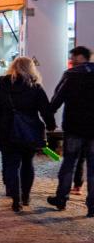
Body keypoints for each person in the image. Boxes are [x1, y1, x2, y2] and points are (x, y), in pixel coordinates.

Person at [0, 56, 56, 212]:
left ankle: (16, 199)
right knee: (27, 164)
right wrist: (51, 125)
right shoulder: (35, 87)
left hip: (7, 131)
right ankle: (25, 196)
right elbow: (45, 109)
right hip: (29, 131)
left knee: (11, 165)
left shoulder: (3, 87)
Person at [48, 45, 94, 214]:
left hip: (74, 128)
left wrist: (49, 119)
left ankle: (61, 199)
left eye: (73, 57)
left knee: (69, 164)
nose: (72, 60)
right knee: (93, 168)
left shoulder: (71, 74)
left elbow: (57, 98)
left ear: (81, 57)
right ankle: (92, 206)